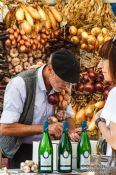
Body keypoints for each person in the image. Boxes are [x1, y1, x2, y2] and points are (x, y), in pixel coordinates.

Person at [0, 48, 81, 168]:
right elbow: (5, 128)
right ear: (49, 69)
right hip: (21, 151)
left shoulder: (61, 87)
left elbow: (68, 117)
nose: (66, 85)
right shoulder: (20, 84)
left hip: (52, 149)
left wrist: (72, 132)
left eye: (69, 82)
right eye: (64, 80)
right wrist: (45, 128)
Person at [95, 37, 116, 156]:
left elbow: (114, 142)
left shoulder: (115, 93)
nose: (99, 65)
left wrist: (99, 120)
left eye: (104, 59)